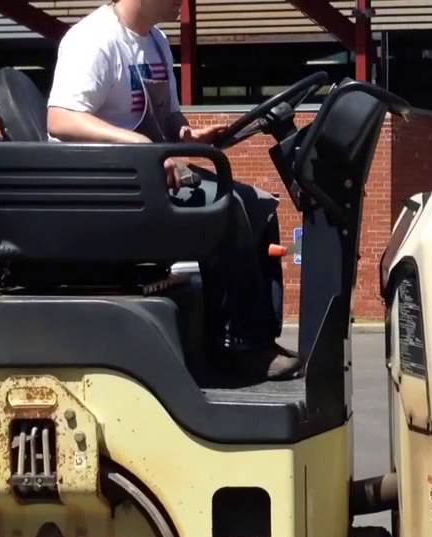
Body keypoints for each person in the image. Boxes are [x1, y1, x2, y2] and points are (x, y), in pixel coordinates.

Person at [45, 0, 295, 380]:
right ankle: (244, 347)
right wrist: (138, 147)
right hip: (112, 194)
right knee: (230, 210)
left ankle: (247, 338)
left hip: (152, 181)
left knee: (256, 205)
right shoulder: (93, 40)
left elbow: (168, 117)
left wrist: (188, 135)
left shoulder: (157, 41)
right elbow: (61, 118)